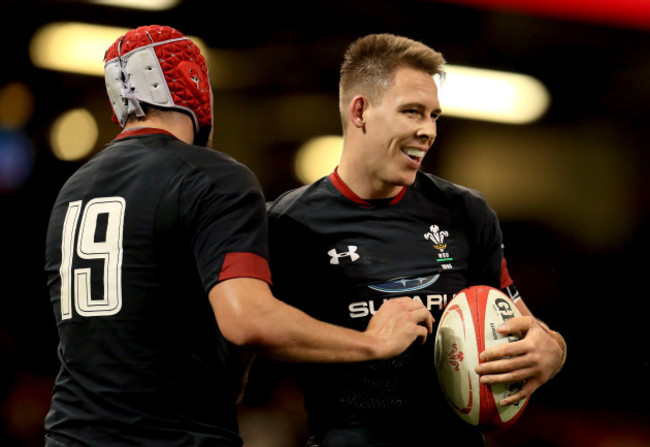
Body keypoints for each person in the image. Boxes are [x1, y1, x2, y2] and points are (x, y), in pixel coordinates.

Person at [43, 25, 434, 447]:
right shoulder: (213, 177)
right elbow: (248, 321)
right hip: (169, 438)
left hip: (68, 435)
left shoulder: (74, 189)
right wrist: (371, 343)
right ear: (194, 87)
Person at [266, 33, 567, 447]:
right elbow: (261, 340)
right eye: (412, 112)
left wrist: (552, 350)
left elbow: (520, 320)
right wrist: (370, 344)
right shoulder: (288, 223)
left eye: (433, 116)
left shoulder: (466, 212)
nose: (427, 131)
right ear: (360, 112)